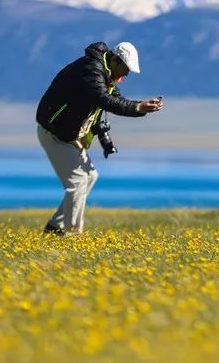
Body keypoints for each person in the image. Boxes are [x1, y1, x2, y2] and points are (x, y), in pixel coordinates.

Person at [36, 41, 163, 235]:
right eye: (125, 69)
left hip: (68, 134)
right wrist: (138, 107)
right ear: (115, 61)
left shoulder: (105, 76)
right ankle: (71, 233)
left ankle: (55, 227)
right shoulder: (91, 71)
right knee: (77, 182)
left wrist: (138, 109)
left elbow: (113, 100)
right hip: (54, 132)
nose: (126, 75)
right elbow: (103, 100)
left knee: (90, 176)